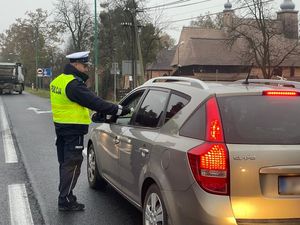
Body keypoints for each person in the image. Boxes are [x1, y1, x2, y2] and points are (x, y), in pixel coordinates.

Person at [50, 51, 130, 211]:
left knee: (65, 164)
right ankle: (65, 200)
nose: (87, 69)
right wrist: (120, 110)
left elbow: (74, 104)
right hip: (73, 131)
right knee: (72, 165)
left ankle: (66, 196)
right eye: (85, 65)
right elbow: (96, 102)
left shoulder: (58, 80)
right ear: (75, 64)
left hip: (61, 129)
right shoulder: (73, 84)